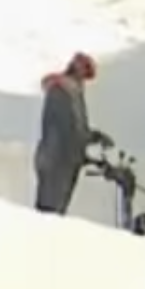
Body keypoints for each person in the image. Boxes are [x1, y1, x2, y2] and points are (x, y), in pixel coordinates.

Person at [34, 51, 112, 216]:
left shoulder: (72, 93)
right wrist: (82, 149)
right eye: (85, 76)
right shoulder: (62, 92)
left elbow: (77, 130)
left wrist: (94, 137)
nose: (84, 82)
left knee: (56, 211)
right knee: (49, 213)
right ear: (77, 72)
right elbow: (66, 130)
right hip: (55, 161)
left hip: (63, 161)